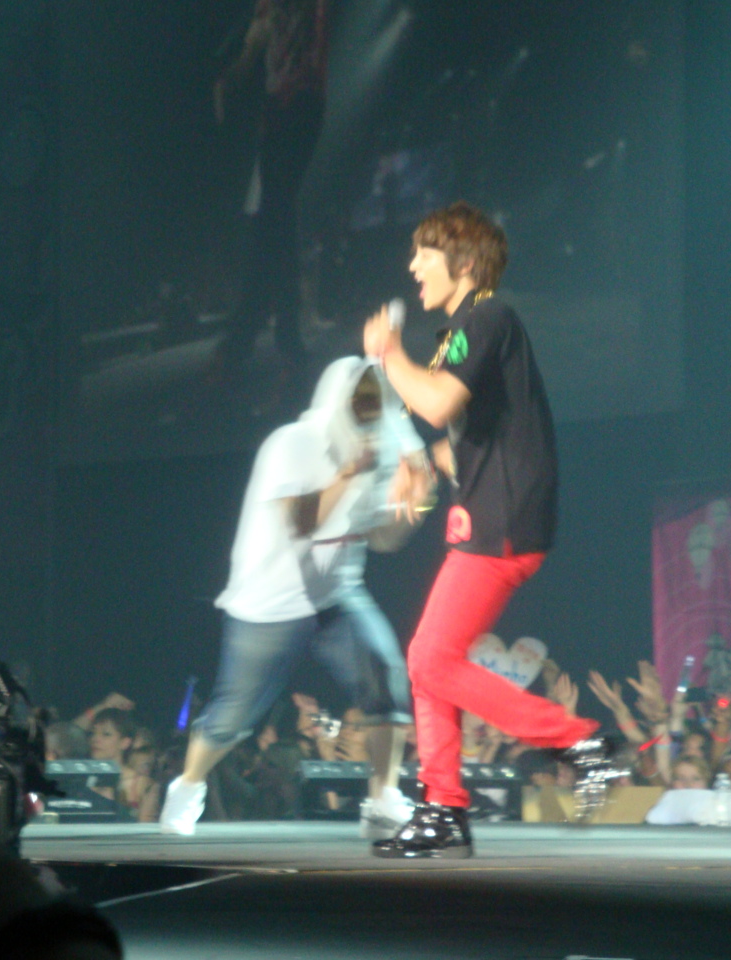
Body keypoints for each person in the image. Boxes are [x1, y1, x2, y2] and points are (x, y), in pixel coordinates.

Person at [363, 202, 601, 858]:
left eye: (425, 254)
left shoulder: (487, 316)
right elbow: (471, 437)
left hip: (504, 519)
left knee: (428, 659)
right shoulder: (463, 333)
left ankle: (578, 741)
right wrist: (424, 467)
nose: (413, 266)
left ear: (464, 262)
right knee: (428, 662)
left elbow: (437, 401)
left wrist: (390, 354)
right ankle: (443, 808)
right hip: (490, 514)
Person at [159, 356, 433, 838]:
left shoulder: (382, 451)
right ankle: (188, 785)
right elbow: (301, 522)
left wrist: (418, 502)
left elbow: (385, 540)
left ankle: (383, 799)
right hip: (268, 602)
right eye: (362, 399)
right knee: (233, 717)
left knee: (384, 675)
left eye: (378, 400)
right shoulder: (292, 443)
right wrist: (350, 474)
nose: (370, 409)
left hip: (336, 595)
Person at [209, 0, 331, 381]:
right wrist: (227, 80)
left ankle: (255, 338)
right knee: (274, 221)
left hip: (300, 104)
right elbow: (252, 51)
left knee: (274, 218)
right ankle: (269, 338)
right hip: (280, 110)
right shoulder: (268, 10)